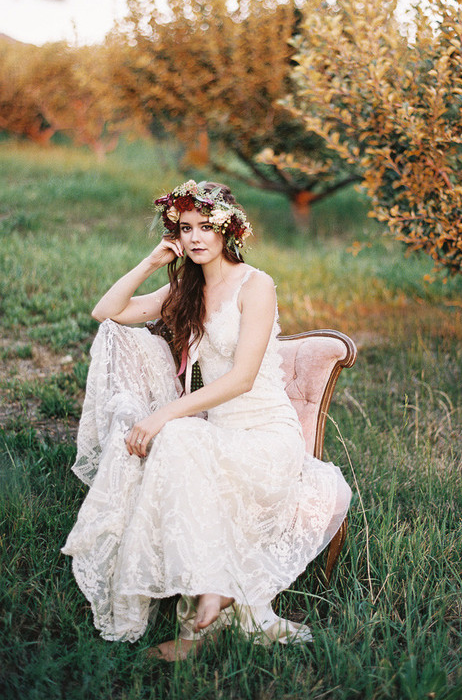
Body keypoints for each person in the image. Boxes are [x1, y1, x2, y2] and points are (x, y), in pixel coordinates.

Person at [62, 180, 351, 661]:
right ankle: (209, 601)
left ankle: (205, 612)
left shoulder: (255, 285)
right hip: (218, 432)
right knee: (178, 441)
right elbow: (106, 312)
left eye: (205, 227)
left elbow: (241, 378)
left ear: (228, 230)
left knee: (174, 434)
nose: (195, 238)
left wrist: (162, 415)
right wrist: (154, 262)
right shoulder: (183, 288)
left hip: (265, 435)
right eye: (185, 228)